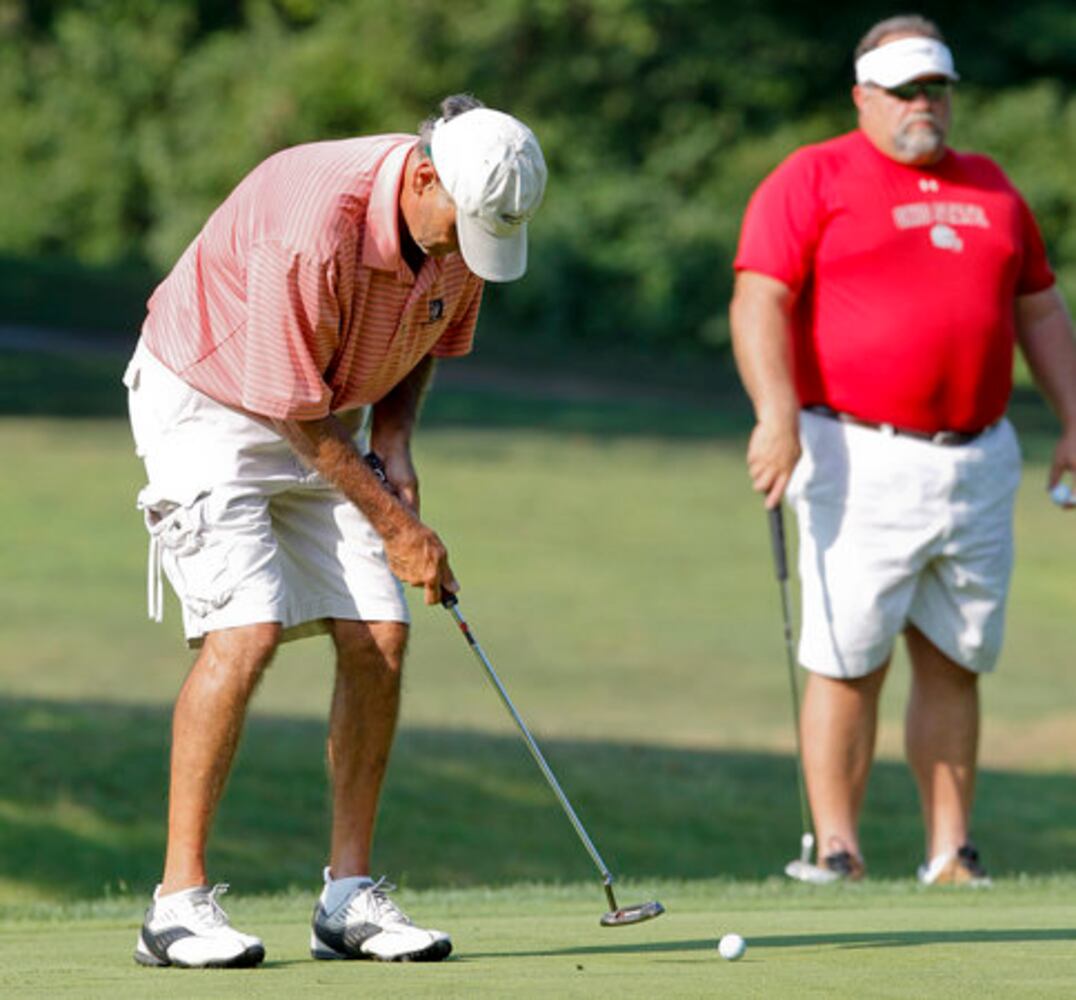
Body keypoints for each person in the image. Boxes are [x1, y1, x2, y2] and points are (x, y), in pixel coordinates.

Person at [124, 93, 546, 968]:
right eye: (458, 231)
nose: (462, 254)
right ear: (423, 177)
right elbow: (295, 416)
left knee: (380, 634)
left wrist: (394, 442)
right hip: (207, 399)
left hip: (321, 410)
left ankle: (347, 901)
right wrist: (398, 525)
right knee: (247, 630)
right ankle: (175, 906)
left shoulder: (459, 222)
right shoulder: (310, 226)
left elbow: (421, 336)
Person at [730, 15, 1076, 885]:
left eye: (937, 89)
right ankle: (839, 850)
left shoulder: (992, 187)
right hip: (855, 452)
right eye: (906, 90)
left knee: (958, 656)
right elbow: (760, 299)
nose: (925, 104)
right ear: (863, 96)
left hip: (978, 456)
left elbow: (1038, 307)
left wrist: (1074, 420)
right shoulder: (811, 176)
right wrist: (775, 414)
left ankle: (950, 854)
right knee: (848, 659)